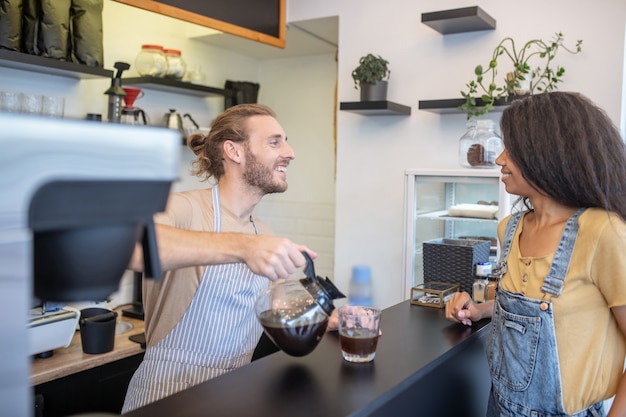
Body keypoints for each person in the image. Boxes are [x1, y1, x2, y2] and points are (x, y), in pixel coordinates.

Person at [122, 103, 317, 412]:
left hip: (235, 395)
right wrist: (242, 248)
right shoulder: (184, 208)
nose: (290, 152)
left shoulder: (261, 231)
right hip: (167, 394)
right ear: (234, 151)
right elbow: (132, 247)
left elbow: (280, 310)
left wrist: (324, 319)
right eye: (274, 141)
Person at [445, 92, 626, 417]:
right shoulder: (509, 229)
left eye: (511, 150)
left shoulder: (603, 232)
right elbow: (523, 304)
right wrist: (479, 310)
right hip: (498, 407)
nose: (499, 159)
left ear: (547, 154)